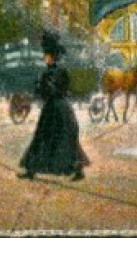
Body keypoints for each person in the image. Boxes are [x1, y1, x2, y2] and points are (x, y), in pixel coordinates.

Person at [18, 32, 88, 181]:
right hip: (60, 108)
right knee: (59, 138)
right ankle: (32, 170)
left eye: (47, 56)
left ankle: (33, 169)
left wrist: (41, 89)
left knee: (48, 138)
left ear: (52, 57)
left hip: (55, 108)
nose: (46, 58)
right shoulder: (57, 71)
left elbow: (50, 90)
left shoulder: (51, 73)